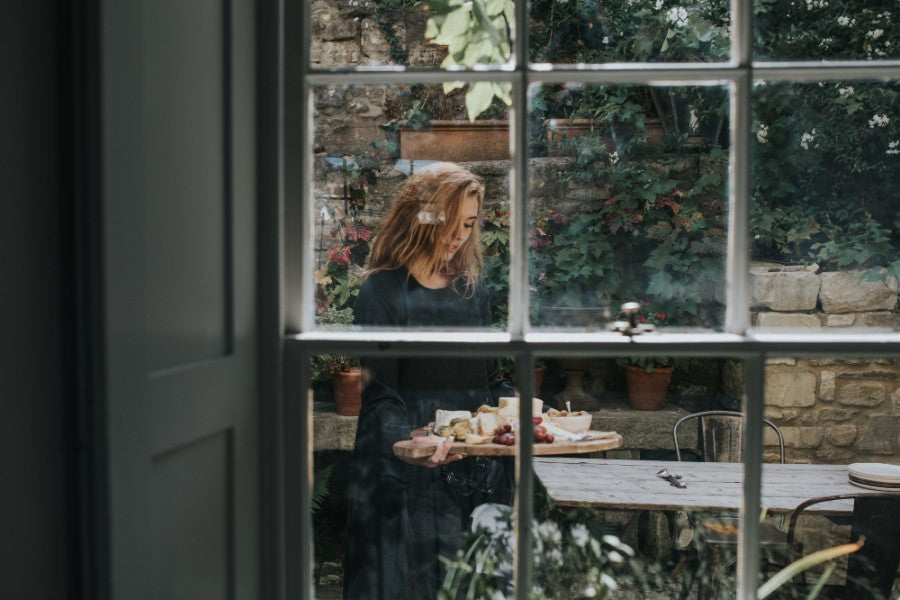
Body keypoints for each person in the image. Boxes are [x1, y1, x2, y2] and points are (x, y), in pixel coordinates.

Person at [342, 163, 516, 600]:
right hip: (407, 472)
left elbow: (490, 380)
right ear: (421, 219)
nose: (459, 236)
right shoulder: (382, 293)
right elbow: (381, 395)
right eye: (451, 224)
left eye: (470, 225)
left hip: (473, 470)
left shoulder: (473, 289)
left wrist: (529, 414)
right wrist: (410, 443)